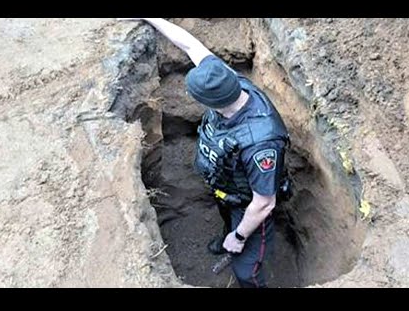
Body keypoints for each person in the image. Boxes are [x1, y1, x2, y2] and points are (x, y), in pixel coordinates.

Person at [118, 18, 291, 288]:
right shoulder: (225, 79)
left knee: (246, 270)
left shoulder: (261, 142)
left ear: (213, 102)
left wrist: (240, 237)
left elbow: (263, 203)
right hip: (228, 187)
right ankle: (228, 234)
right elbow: (189, 44)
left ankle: (239, 253)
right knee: (228, 219)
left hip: (250, 204)